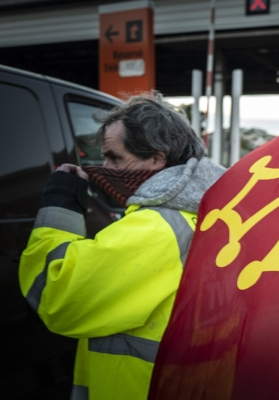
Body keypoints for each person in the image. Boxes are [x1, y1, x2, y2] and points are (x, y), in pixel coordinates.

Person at [19, 95, 226, 399]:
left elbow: (58, 296)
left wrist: (61, 203)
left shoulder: (156, 226)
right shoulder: (209, 215)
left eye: (114, 157)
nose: (104, 168)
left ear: (157, 158)